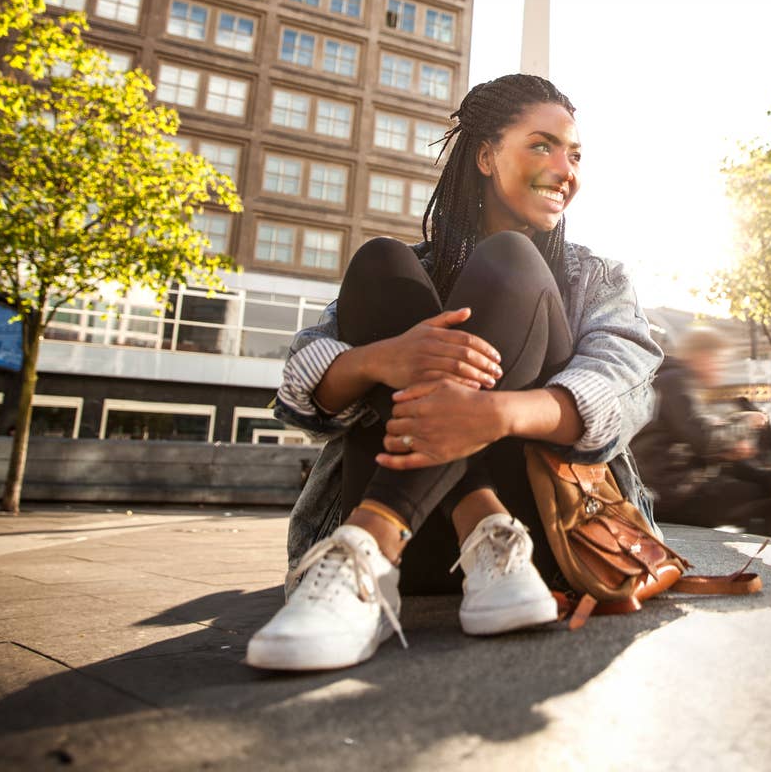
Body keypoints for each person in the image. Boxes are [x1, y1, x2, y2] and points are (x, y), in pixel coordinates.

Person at [246, 75, 663, 672]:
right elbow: (300, 388)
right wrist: (378, 360)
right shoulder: (405, 272)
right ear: (487, 155)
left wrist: (494, 414)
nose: (565, 169)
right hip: (426, 551)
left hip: (539, 540)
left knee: (510, 260)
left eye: (574, 154)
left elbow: (625, 385)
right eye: (542, 145)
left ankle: (374, 538)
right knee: (378, 262)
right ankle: (469, 518)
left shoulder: (595, 279)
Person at [630, 326, 771, 538]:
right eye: (718, 361)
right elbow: (703, 439)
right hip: (667, 495)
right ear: (701, 357)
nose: (720, 369)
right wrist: (744, 424)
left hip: (668, 486)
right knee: (764, 499)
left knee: (747, 471)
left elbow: (693, 436)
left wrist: (728, 444)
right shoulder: (675, 381)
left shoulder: (670, 381)